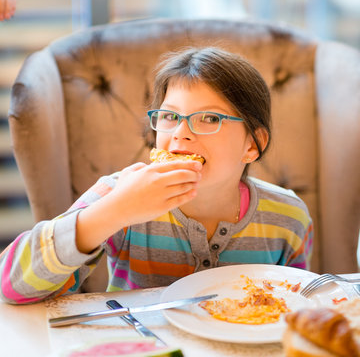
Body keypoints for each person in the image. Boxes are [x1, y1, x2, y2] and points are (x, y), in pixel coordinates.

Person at [0, 47, 313, 304]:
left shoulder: (288, 216)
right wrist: (114, 211)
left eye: (209, 118)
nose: (180, 133)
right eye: (170, 116)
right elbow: (12, 286)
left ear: (253, 144)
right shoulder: (120, 194)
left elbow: (295, 306)